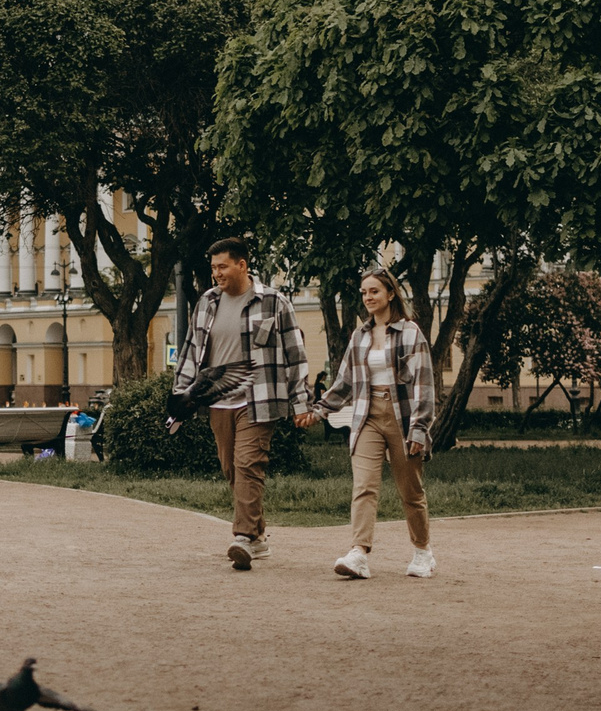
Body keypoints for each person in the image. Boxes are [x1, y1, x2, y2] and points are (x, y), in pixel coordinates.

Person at [169, 236, 312, 571]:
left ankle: (243, 537)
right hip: (218, 402)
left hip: (259, 398)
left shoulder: (274, 302)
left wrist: (301, 401)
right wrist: (180, 395)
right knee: (232, 469)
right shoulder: (207, 302)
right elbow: (192, 351)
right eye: (213, 267)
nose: (216, 273)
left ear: (242, 265)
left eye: (222, 266)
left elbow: (296, 354)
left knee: (248, 463)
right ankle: (259, 536)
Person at [306, 268, 435, 579]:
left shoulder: (410, 333)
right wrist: (320, 410)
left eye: (374, 291)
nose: (368, 297)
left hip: (402, 418)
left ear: (390, 293)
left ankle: (423, 552)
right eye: (364, 292)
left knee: (411, 491)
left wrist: (419, 428)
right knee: (364, 486)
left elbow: (424, 385)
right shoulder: (359, 336)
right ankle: (359, 554)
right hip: (366, 417)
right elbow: (345, 382)